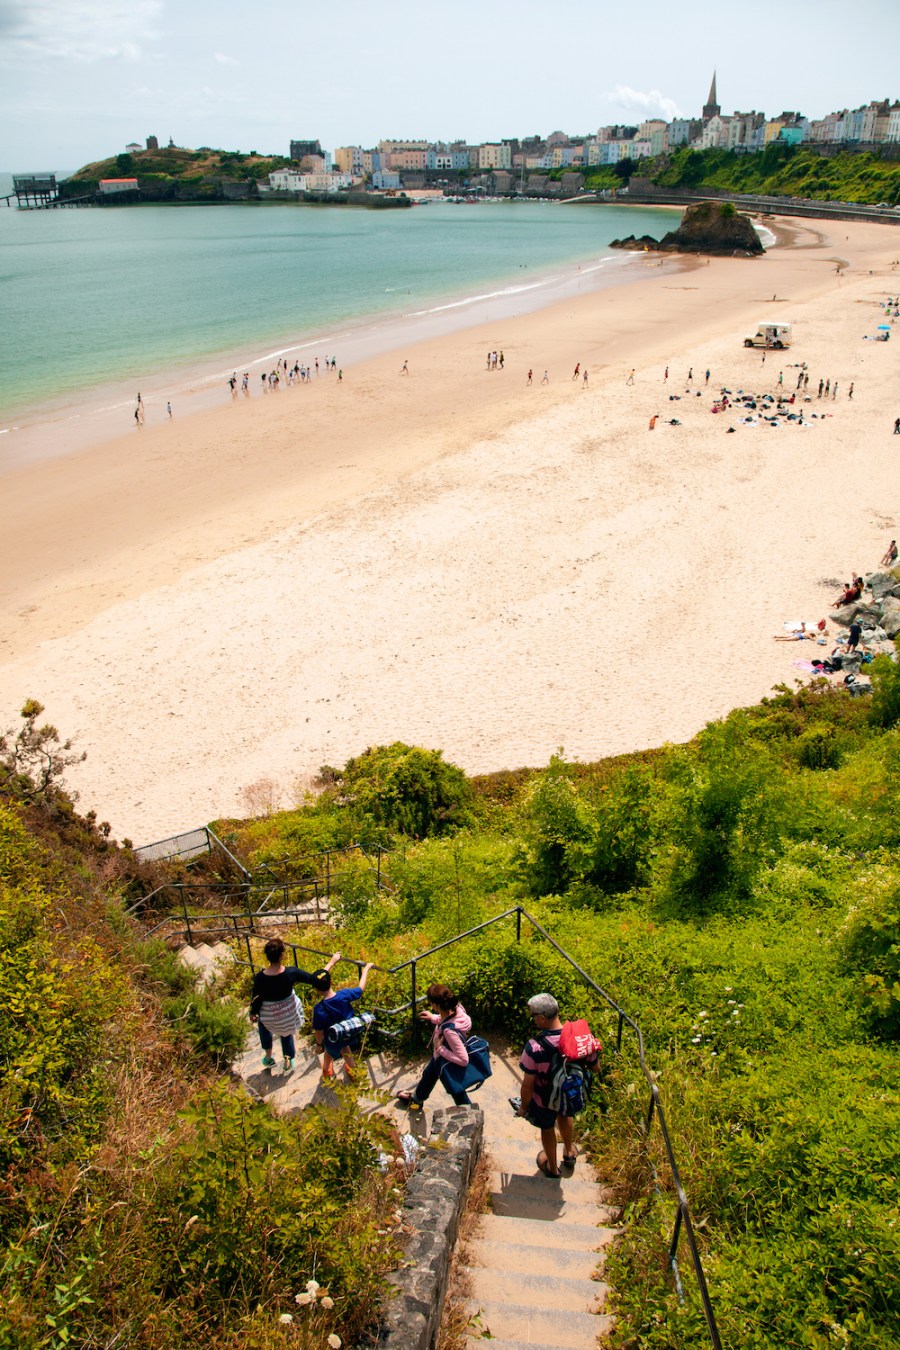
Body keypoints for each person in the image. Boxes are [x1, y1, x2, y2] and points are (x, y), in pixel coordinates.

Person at [249, 938, 335, 1072]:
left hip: (269, 1017)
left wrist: (253, 1012)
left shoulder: (259, 978)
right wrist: (331, 962)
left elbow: (255, 997)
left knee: (263, 1025)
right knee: (286, 1030)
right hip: (288, 1015)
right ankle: (288, 1057)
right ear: (282, 955)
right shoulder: (291, 973)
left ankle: (268, 1056)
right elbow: (314, 979)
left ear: (267, 956)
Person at [517, 993, 576, 1178]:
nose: (533, 1018)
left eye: (533, 1015)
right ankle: (569, 1152)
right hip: (568, 1093)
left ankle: (551, 1168)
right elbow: (595, 1066)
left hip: (544, 1099)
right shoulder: (576, 1036)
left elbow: (528, 1085)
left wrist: (524, 1107)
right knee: (565, 1115)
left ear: (541, 1018)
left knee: (547, 1127)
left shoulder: (534, 1047)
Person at [396, 983, 473, 1110]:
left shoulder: (449, 1031)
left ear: (436, 1005)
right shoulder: (457, 1008)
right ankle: (417, 1099)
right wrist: (433, 1018)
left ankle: (470, 1112)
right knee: (429, 1074)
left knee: (455, 1089)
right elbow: (447, 1019)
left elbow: (464, 1060)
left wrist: (439, 1048)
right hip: (442, 1055)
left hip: (446, 1058)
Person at [312, 959, 374, 1080]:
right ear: (331, 982)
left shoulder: (319, 1009)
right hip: (349, 1033)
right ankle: (353, 1072)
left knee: (329, 1054)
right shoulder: (344, 995)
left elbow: (318, 1031)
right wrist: (366, 969)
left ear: (317, 990)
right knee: (346, 1050)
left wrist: (319, 1044)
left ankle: (326, 1070)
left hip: (332, 1040)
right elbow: (361, 988)